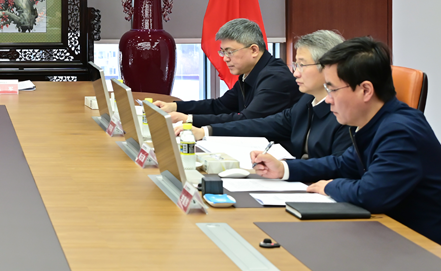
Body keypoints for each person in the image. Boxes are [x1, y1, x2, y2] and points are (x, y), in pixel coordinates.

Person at [252, 37, 441, 245]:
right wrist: (284, 168)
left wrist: (330, 186)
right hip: (384, 233)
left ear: (365, 90)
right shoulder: (373, 122)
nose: (328, 99)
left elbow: (370, 195)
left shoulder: (400, 132)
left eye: (332, 89)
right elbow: (341, 164)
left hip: (421, 245)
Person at [179, 30, 351, 160]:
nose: (295, 73)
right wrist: (207, 131)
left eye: (302, 65)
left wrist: (285, 168)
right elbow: (264, 124)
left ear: (329, 66)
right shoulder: (307, 101)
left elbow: (338, 166)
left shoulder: (346, 112)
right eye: (295, 65)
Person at [154, 18, 298, 125]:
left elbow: (247, 120)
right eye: (223, 52)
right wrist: (175, 106)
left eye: (230, 52)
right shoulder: (249, 72)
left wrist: (188, 119)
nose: (225, 58)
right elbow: (220, 106)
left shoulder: (276, 78)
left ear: (254, 50)